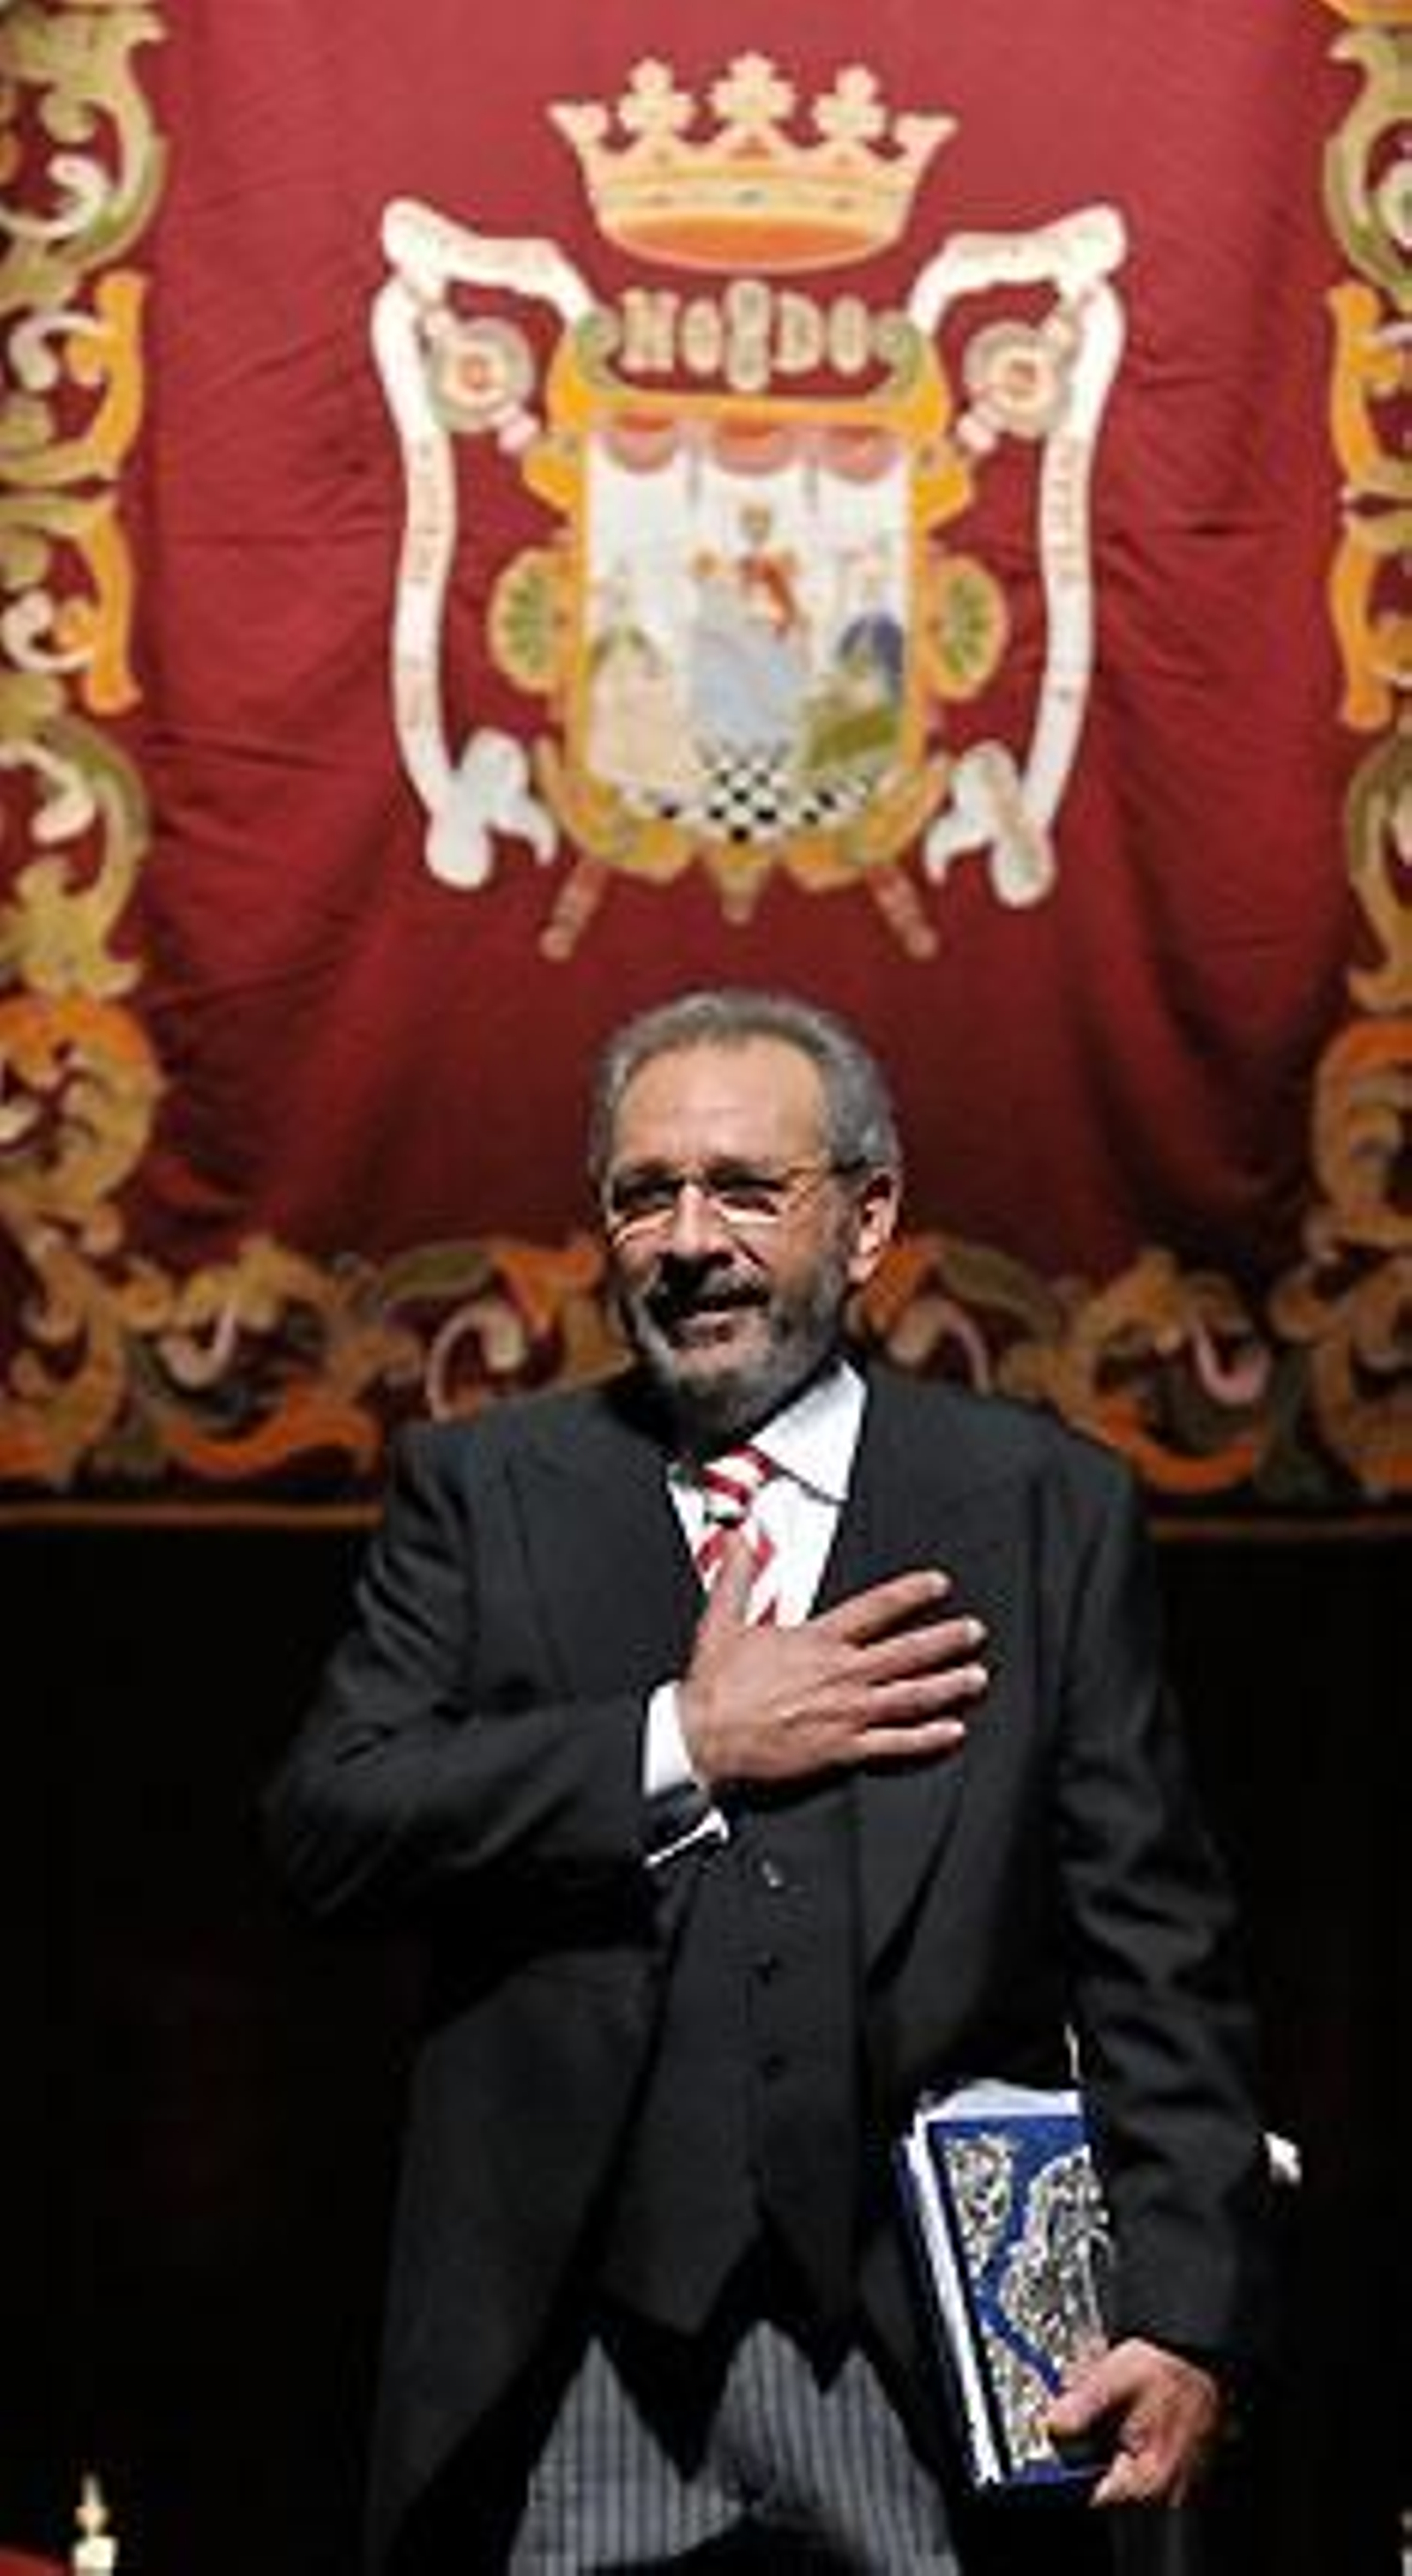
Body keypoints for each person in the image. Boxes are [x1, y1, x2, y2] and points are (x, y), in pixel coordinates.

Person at [264, 987, 1271, 2574]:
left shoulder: (1043, 1509)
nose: (689, 1239)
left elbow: (1157, 1955)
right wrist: (683, 1739)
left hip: (925, 2374)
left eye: (744, 1189)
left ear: (867, 1221)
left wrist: (1187, 2309)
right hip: (579, 2374)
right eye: (644, 1194)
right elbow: (328, 1825)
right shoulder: (483, 1493)